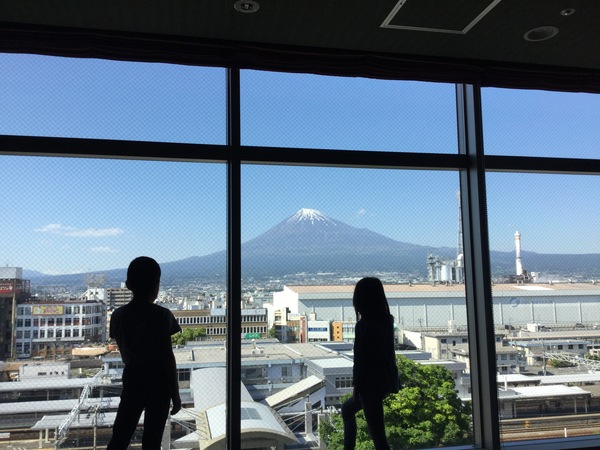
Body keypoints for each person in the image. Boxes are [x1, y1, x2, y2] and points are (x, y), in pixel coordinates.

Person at [107, 256, 182, 450]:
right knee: (152, 441)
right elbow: (167, 356)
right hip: (159, 381)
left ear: (129, 284)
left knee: (120, 435)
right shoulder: (163, 315)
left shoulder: (118, 316)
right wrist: (175, 392)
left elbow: (121, 342)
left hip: (132, 378)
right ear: (156, 285)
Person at [341, 277, 398, 450]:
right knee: (349, 411)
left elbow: (361, 359)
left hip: (369, 384)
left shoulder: (364, 325)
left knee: (377, 433)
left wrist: (357, 385)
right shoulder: (387, 321)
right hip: (384, 379)